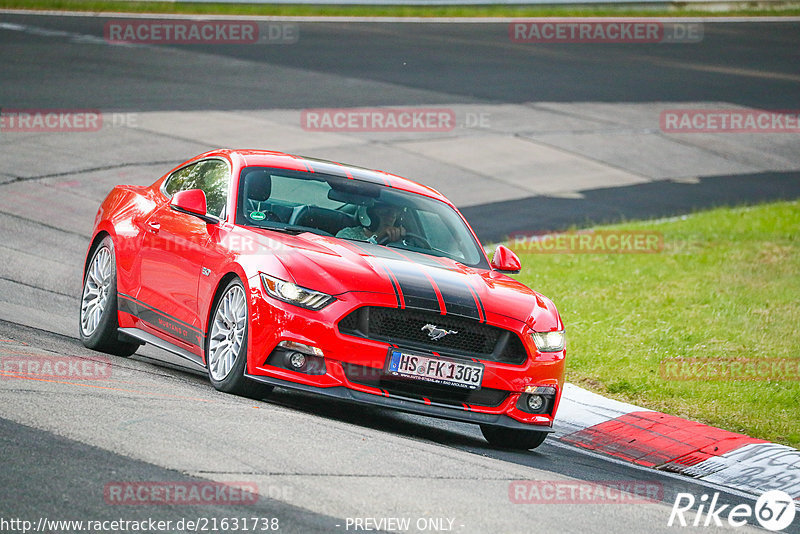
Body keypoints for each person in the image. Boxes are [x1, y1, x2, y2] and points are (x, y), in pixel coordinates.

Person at [336, 202, 406, 244]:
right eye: (386, 211)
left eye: (396, 213)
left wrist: (401, 242)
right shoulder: (348, 235)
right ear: (368, 213)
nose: (392, 217)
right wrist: (377, 239)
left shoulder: (403, 240)